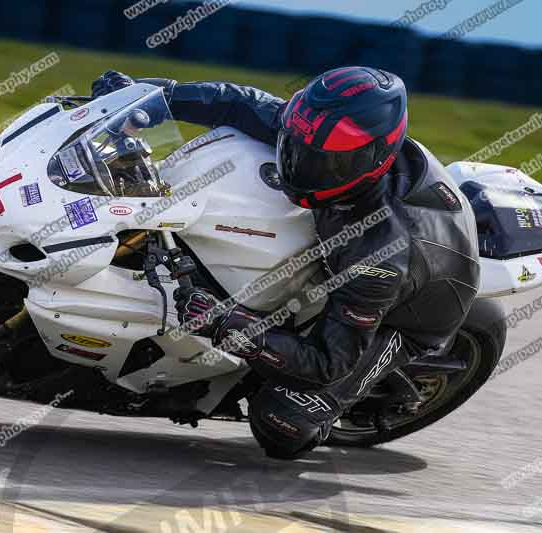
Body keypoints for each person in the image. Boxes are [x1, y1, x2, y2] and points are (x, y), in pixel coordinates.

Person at [91, 67, 480, 459]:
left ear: (370, 160)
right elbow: (239, 103)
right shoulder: (322, 137)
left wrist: (231, 324)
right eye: (297, 147)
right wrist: (155, 97)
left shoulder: (379, 253)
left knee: (282, 423)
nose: (302, 165)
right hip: (370, 259)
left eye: (323, 163)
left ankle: (322, 405)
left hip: (412, 314)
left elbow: (327, 362)